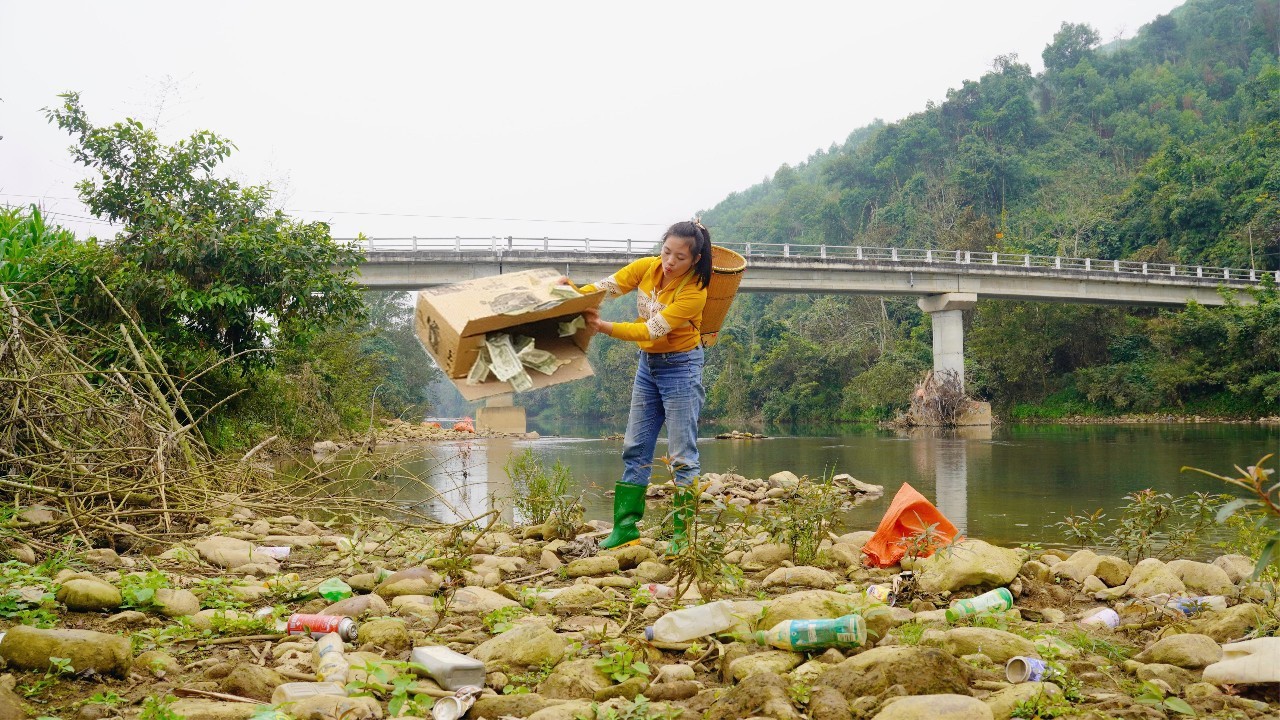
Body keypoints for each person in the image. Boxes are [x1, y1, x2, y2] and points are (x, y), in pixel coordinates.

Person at [574, 220, 713, 554]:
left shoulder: (694, 292)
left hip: (682, 367)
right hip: (648, 366)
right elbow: (606, 287)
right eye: (666, 252)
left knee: (682, 455)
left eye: (680, 257)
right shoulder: (647, 268)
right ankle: (625, 529)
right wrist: (570, 298)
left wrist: (602, 326)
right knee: (635, 447)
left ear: (695, 259)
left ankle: (684, 538)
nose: (670, 262)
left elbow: (651, 330)